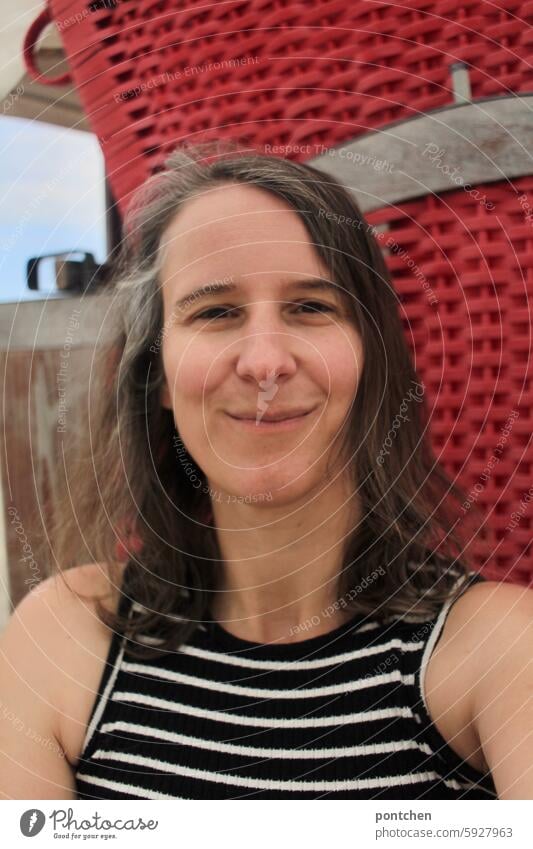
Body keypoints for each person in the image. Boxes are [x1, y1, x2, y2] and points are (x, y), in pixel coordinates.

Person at [1, 143, 532, 801]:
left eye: (310, 307)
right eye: (216, 311)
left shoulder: (499, 653)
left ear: (368, 355)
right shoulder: (65, 637)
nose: (264, 362)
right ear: (159, 371)